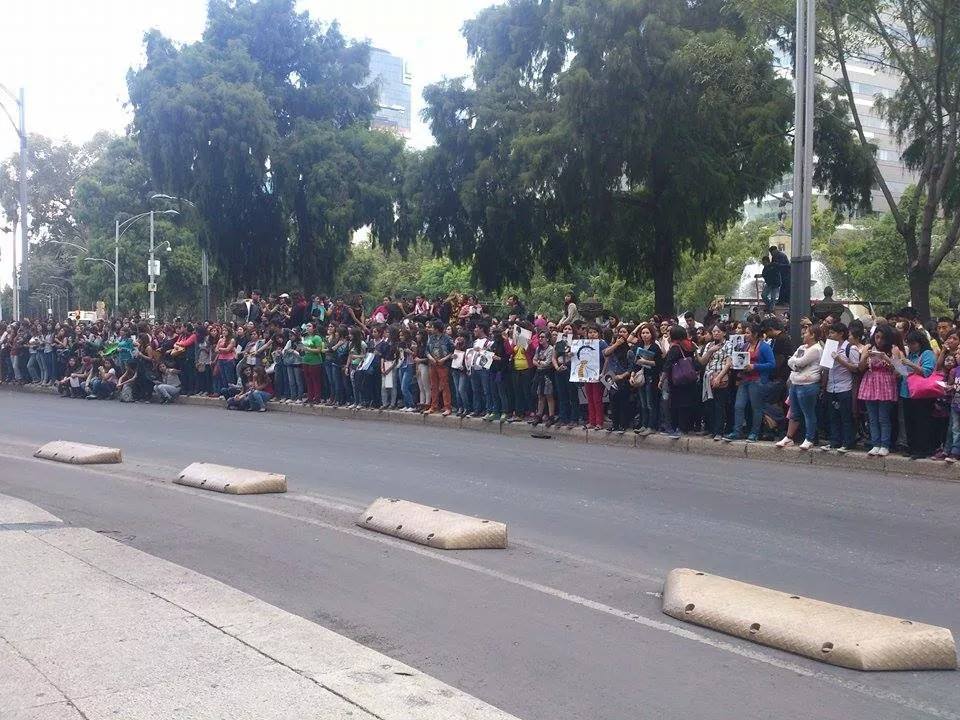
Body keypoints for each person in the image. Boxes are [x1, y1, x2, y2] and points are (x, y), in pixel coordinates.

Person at [725, 323, 775, 442]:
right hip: (745, 380)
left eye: (748, 333)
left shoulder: (764, 347)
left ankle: (754, 433)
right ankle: (737, 431)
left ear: (755, 334)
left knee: (756, 407)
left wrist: (755, 366)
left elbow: (772, 364)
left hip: (758, 380)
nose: (745, 335)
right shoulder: (745, 346)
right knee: (739, 405)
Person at [857, 324, 901, 457]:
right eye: (877, 337)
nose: (879, 340)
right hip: (870, 381)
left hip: (886, 383)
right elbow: (860, 368)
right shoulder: (868, 347)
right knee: (872, 417)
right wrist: (865, 356)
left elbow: (898, 371)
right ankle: (875, 443)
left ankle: (885, 444)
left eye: (882, 338)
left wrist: (886, 358)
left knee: (883, 417)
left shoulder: (893, 349)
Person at [776, 324, 822, 449]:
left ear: (812, 335)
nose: (803, 335)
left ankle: (809, 438)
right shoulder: (802, 347)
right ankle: (789, 437)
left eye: (806, 333)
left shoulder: (816, 349)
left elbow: (800, 362)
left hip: (808, 384)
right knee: (794, 412)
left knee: (808, 413)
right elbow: (790, 360)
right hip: (795, 383)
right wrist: (795, 363)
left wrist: (795, 363)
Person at [899, 328, 938, 459]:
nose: (911, 346)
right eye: (909, 344)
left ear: (920, 343)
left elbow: (927, 372)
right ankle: (912, 447)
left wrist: (910, 364)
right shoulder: (910, 355)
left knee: (921, 422)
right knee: (909, 421)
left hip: (921, 394)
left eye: (913, 344)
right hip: (907, 392)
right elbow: (905, 372)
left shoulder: (927, 354)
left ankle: (922, 449)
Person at [822, 322, 860, 453]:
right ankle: (834, 441)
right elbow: (826, 367)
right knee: (833, 416)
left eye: (832, 333)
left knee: (845, 416)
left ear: (841, 334)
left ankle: (847, 442)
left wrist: (840, 360)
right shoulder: (830, 347)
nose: (830, 335)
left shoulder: (850, 348)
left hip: (845, 386)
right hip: (831, 386)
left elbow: (856, 368)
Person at [425, 320, 454, 416]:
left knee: (445, 386)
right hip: (432, 364)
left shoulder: (447, 338)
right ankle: (433, 406)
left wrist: (444, 359)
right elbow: (427, 351)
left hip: (443, 364)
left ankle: (447, 407)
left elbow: (452, 351)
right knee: (433, 386)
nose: (431, 329)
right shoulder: (431, 338)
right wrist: (431, 358)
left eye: (432, 327)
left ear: (437, 329)